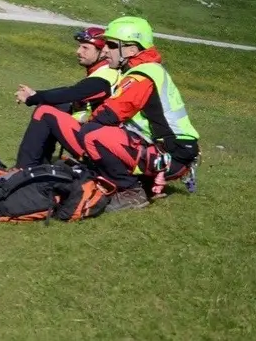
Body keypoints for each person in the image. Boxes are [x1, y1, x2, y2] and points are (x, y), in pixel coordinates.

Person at [79, 17, 201, 212]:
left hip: (173, 153)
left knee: (92, 134)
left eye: (111, 45)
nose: (104, 50)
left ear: (132, 50)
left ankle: (131, 191)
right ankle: (120, 181)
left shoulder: (143, 75)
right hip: (172, 149)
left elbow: (109, 114)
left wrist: (82, 124)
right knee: (95, 132)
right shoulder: (142, 70)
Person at [12, 27, 119, 168]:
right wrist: (35, 94)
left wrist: (32, 98)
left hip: (96, 143)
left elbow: (71, 93)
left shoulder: (105, 77)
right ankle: (39, 167)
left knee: (45, 111)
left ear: (102, 52)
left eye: (85, 48)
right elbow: (68, 92)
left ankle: (23, 169)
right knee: (54, 106)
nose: (78, 51)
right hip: (96, 135)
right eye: (79, 47)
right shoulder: (103, 72)